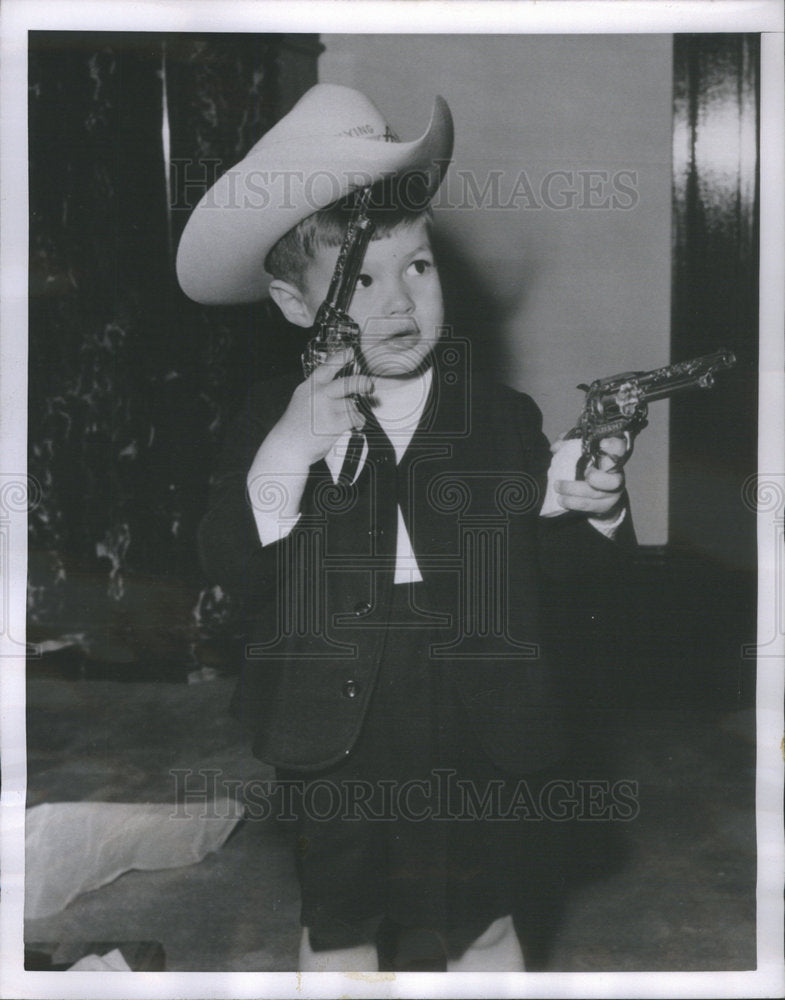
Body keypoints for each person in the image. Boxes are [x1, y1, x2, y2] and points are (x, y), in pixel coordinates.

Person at [177, 84, 634, 972]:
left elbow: (566, 580)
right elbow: (231, 562)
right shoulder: (273, 418)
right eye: (362, 279)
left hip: (474, 714)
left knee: (479, 916)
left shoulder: (496, 414)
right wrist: (287, 454)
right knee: (339, 922)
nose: (398, 302)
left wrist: (589, 505)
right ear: (295, 304)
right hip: (331, 720)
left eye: (417, 268)